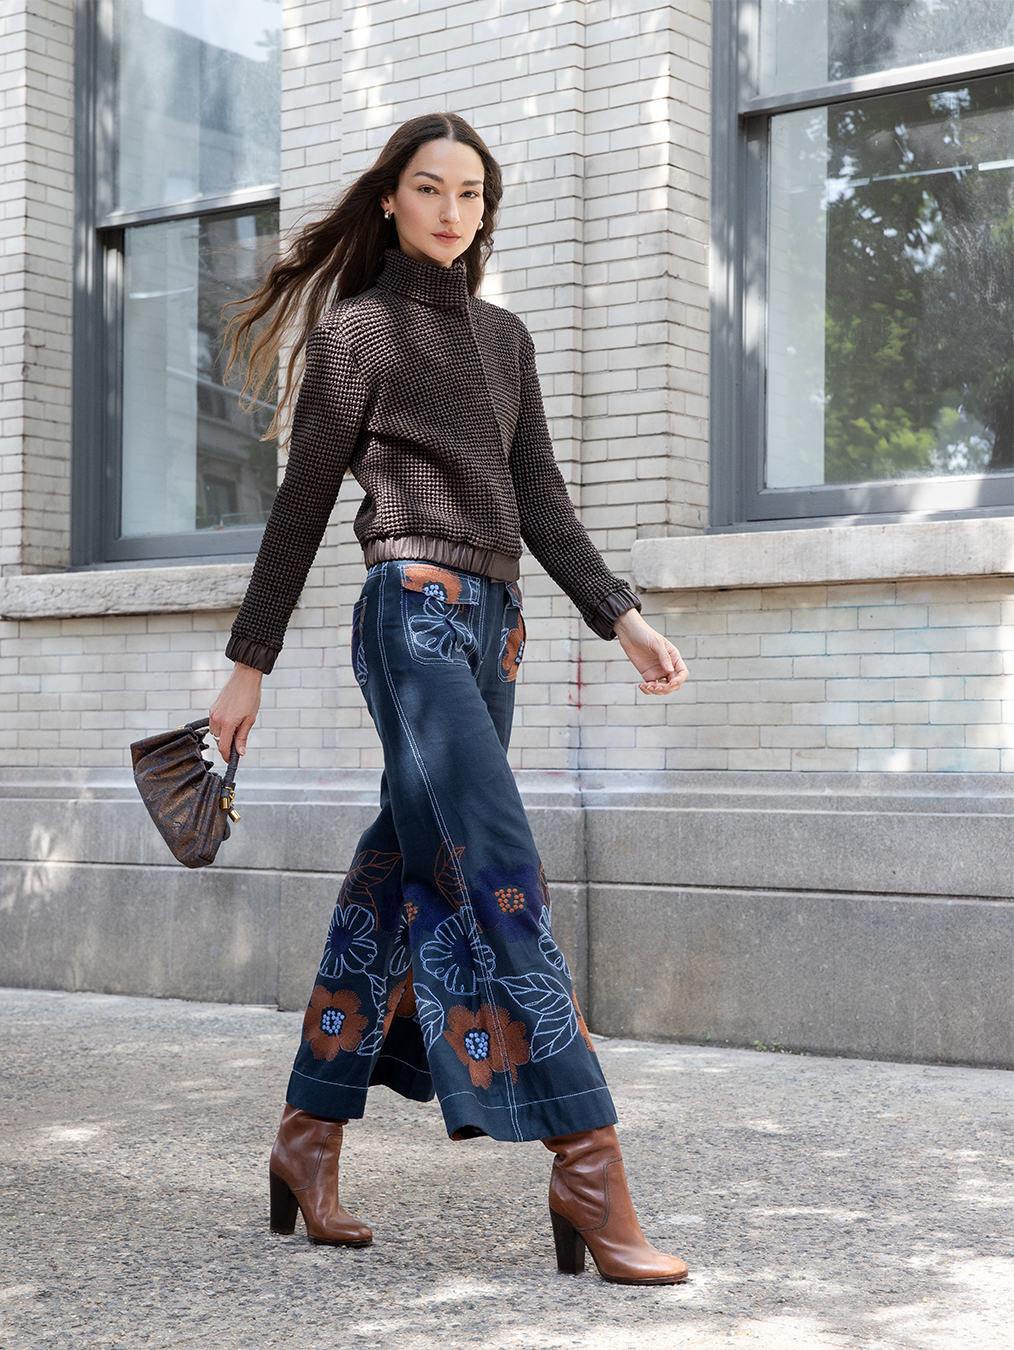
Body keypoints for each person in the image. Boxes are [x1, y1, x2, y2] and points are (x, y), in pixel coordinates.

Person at [209, 112, 690, 1287]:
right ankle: (586, 1158)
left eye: (471, 194)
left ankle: (306, 1134)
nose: (450, 211)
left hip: (497, 634)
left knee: (405, 866)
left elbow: (543, 503)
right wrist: (247, 661)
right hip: (410, 617)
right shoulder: (357, 334)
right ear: (389, 200)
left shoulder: (506, 340)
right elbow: (304, 504)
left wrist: (620, 615)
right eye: (429, 189)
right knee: (496, 862)